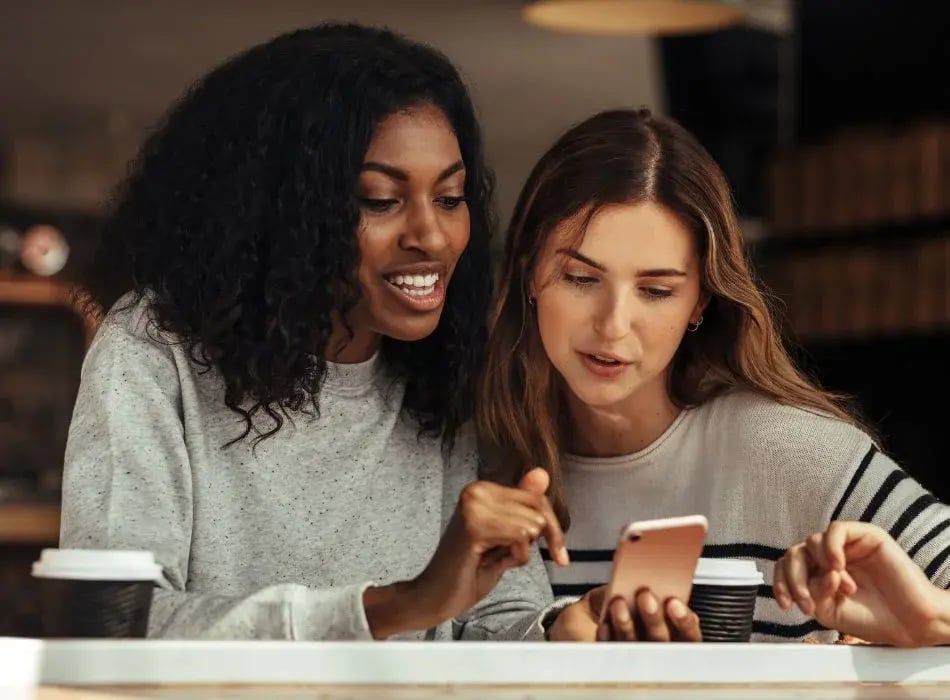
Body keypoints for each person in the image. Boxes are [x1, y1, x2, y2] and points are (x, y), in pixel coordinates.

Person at [60, 23, 571, 642]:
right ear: (283, 212)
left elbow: (491, 623)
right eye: (380, 200)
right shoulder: (151, 349)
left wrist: (575, 635)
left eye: (450, 196)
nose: (432, 237)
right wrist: (395, 607)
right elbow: (116, 623)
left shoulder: (447, 368)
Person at [478, 108, 950, 645]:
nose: (613, 325)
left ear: (700, 299)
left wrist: (931, 619)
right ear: (528, 273)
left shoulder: (790, 450)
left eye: (656, 291)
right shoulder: (475, 468)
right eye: (582, 278)